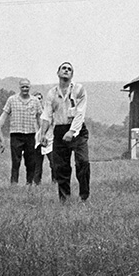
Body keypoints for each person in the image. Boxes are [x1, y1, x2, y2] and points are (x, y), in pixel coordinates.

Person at [40, 62, 90, 202]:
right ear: (58, 73)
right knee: (61, 167)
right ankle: (64, 199)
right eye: (64, 68)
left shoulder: (79, 89)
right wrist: (43, 134)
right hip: (60, 129)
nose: (66, 70)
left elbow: (80, 113)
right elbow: (47, 115)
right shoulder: (52, 93)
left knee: (83, 162)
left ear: (72, 74)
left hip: (77, 130)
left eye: (69, 69)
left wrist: (72, 131)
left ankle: (83, 197)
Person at [0, 79, 42, 185]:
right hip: (16, 134)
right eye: (23, 87)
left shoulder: (35, 101)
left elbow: (40, 117)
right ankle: (14, 183)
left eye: (27, 87)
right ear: (19, 87)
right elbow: (4, 115)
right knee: (15, 161)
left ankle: (29, 183)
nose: (25, 89)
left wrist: (42, 133)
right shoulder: (12, 100)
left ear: (30, 87)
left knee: (31, 161)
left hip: (31, 134)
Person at [32, 92, 56, 184]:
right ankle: (36, 183)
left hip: (49, 139)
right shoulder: (30, 114)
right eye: (36, 98)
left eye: (39, 98)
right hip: (36, 141)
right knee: (37, 165)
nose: (38, 100)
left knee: (53, 163)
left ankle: (55, 181)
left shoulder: (47, 112)